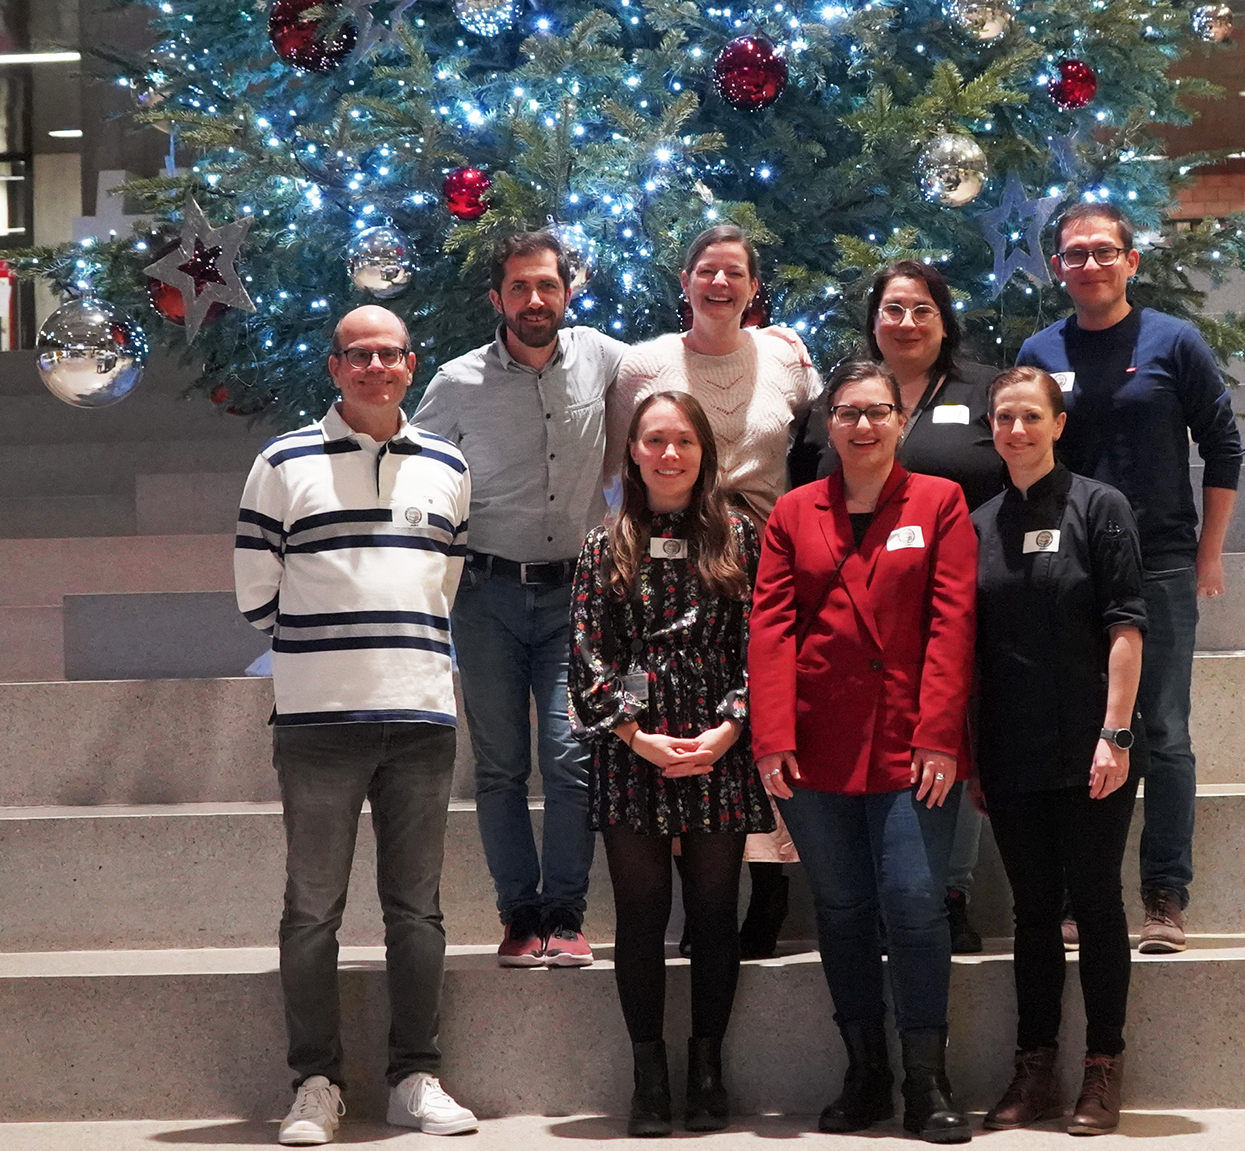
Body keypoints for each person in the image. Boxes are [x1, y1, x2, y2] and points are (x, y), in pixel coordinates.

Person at [235, 305, 479, 1145]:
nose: (375, 366)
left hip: (419, 717)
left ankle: (416, 1075)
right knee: (312, 911)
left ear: (412, 365)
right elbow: (255, 592)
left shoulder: (448, 464)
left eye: (390, 353)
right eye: (358, 354)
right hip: (316, 722)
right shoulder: (281, 461)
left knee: (418, 910)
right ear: (334, 368)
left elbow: (441, 586)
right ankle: (314, 1082)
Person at [749, 360, 979, 1144]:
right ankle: (865, 1071)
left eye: (878, 411)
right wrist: (772, 734)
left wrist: (941, 733)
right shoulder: (791, 512)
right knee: (842, 911)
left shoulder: (939, 502)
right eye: (847, 413)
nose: (863, 426)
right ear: (828, 425)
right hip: (815, 744)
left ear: (898, 421)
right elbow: (771, 628)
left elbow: (952, 624)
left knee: (914, 903)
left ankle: (926, 1077)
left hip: (912, 743)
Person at [1014, 201, 1243, 955]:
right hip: (1072, 564)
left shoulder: (1174, 342)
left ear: (1130, 261)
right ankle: (1088, 896)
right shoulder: (1039, 349)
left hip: (1164, 561)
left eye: (1103, 252)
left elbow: (1224, 448)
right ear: (1058, 267)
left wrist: (1209, 553)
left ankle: (1165, 894)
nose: (1089, 264)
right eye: (1074, 254)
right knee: (1087, 729)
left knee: (1165, 732)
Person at [415, 230, 628, 969]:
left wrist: (780, 344)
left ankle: (566, 913)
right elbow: (414, 473)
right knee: (501, 766)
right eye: (518, 288)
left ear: (568, 290)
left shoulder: (603, 357)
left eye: (547, 285)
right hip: (485, 596)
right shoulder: (456, 380)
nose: (534, 300)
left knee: (570, 758)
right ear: (496, 298)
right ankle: (519, 914)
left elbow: (675, 365)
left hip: (575, 593)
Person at [611, 224, 821, 957]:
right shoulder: (645, 365)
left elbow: (817, 448)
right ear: (684, 280)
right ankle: (696, 900)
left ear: (754, 286)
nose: (720, 284)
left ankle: (770, 894)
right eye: (706, 270)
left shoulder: (788, 357)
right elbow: (626, 458)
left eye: (734, 272)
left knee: (766, 710)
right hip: (676, 557)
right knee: (689, 709)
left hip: (771, 553)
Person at [569, 390, 772, 1137]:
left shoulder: (740, 538)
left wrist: (728, 730)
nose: (669, 454)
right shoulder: (603, 545)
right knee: (642, 914)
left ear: (702, 451)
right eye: (654, 440)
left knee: (716, 914)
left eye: (682, 441)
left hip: (719, 741)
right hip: (634, 750)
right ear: (633, 452)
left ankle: (707, 1065)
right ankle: (648, 1073)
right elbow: (588, 659)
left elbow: (765, 644)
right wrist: (635, 735)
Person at [788, 259, 1004, 955]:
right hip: (863, 599)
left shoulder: (981, 390)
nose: (905, 322)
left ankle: (953, 888)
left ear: (945, 320)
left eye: (921, 309)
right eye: (891, 309)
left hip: (967, 587)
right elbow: (808, 493)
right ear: (872, 320)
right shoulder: (835, 401)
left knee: (955, 727)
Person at [970, 366, 1146, 1136]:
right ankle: (1034, 1066)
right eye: (1004, 418)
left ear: (1057, 423)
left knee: (1099, 905)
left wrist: (1115, 735)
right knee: (1032, 911)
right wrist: (973, 753)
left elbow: (1126, 628)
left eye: (1030, 417)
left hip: (1089, 749)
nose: (1016, 430)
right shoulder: (976, 523)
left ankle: (1101, 1068)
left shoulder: (1098, 506)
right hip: (1010, 752)